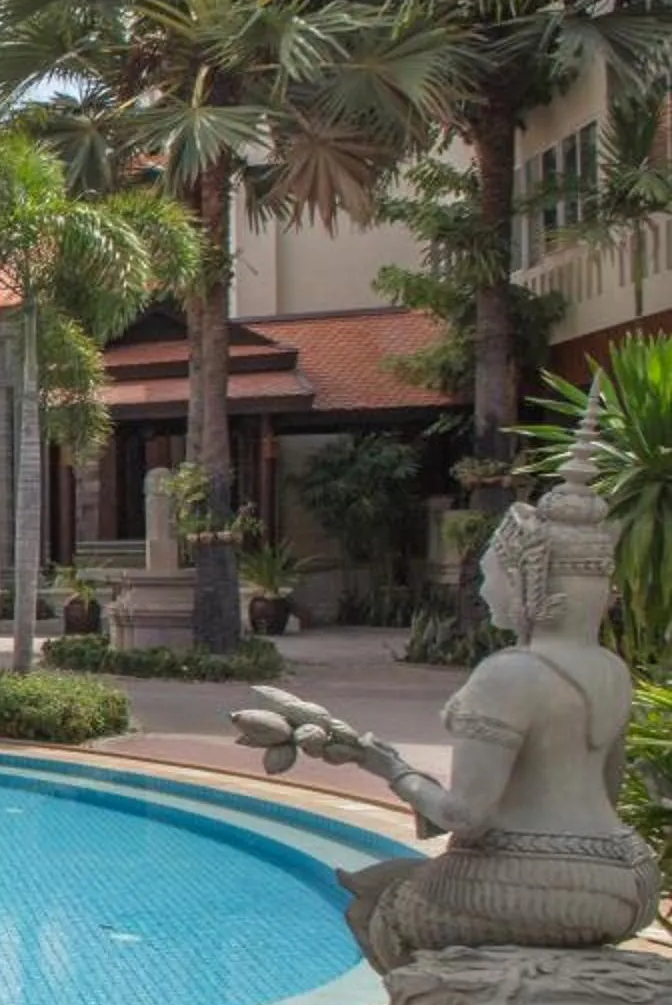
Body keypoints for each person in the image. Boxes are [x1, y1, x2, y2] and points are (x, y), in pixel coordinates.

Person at [234, 391, 658, 969]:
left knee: (375, 898)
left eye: (493, 578)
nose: (485, 593)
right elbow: (603, 794)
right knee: (388, 875)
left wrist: (391, 769)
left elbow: (466, 817)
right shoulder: (611, 670)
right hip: (631, 878)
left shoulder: (511, 676)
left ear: (531, 583)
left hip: (547, 885)